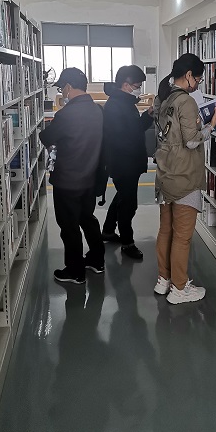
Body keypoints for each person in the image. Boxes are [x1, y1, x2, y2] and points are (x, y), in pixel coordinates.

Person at [154, 54, 216, 304]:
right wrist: (211, 125)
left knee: (166, 231)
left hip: (165, 174)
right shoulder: (186, 101)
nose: (198, 84)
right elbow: (191, 141)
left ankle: (164, 280)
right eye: (199, 79)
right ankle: (180, 289)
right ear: (189, 75)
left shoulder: (162, 97)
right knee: (182, 236)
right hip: (184, 175)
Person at [39, 67, 105, 284]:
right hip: (90, 178)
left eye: (61, 88)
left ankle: (75, 271)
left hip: (67, 181)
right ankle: (97, 260)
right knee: (88, 219)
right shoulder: (97, 110)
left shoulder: (65, 114)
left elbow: (47, 137)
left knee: (69, 227)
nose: (62, 92)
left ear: (68, 86)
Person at [102, 65, 153, 260]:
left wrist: (147, 116)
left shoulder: (124, 102)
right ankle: (127, 243)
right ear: (125, 85)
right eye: (137, 86)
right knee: (129, 204)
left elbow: (134, 129)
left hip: (128, 162)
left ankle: (108, 231)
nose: (138, 89)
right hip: (124, 163)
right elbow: (124, 137)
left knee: (122, 197)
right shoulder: (116, 106)